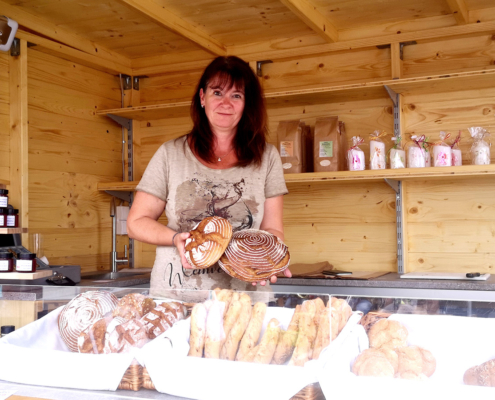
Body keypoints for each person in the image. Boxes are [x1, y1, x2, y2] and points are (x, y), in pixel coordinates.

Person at [127, 56, 292, 298]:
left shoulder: (267, 157)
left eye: (236, 95)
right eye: (217, 93)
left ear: (247, 104)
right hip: (175, 296)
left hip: (243, 300)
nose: (226, 103)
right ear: (203, 98)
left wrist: (271, 259)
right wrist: (175, 238)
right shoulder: (170, 154)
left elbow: (272, 229)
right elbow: (136, 222)